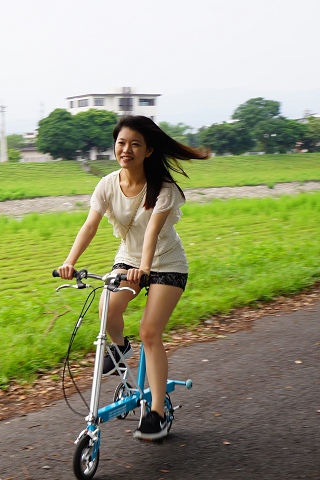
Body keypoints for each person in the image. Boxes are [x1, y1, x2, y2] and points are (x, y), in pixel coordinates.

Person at [57, 115, 209, 440]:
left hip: (167, 263)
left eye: (135, 144)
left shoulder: (163, 189)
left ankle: (156, 413)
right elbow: (90, 225)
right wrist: (70, 261)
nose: (126, 149)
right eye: (121, 143)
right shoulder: (107, 185)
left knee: (150, 332)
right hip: (128, 260)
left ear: (149, 150)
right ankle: (120, 347)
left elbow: (153, 232)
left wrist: (146, 270)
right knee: (106, 309)